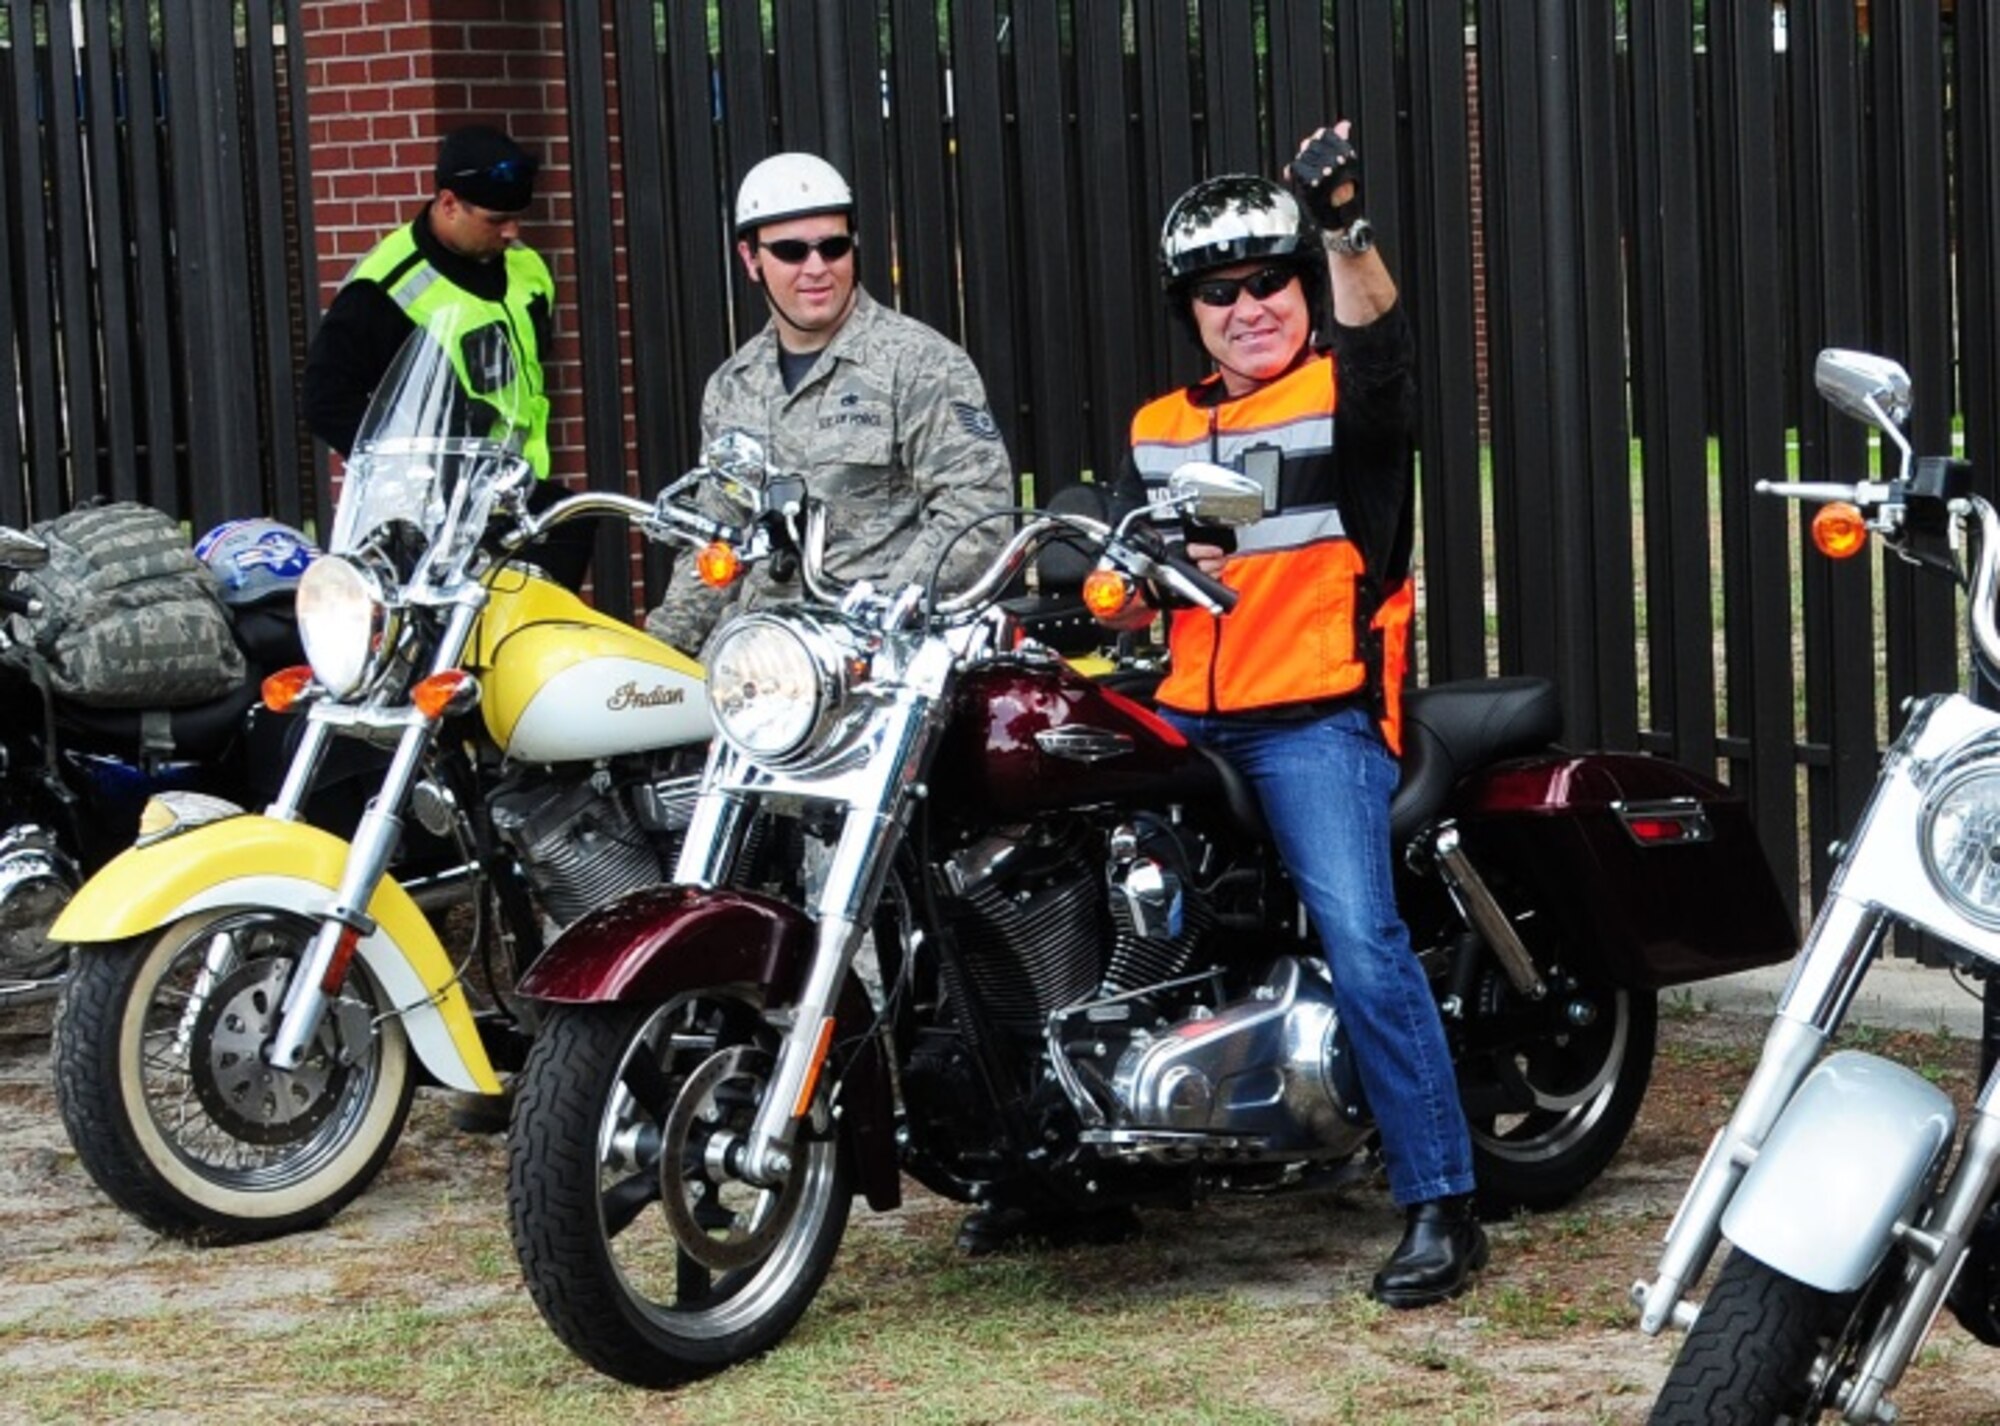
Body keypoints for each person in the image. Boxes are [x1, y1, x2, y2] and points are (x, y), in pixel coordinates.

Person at [1106, 123, 1486, 1309]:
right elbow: (1120, 572)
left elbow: (1383, 344)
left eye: (1269, 279)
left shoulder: (1347, 397)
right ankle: (1057, 1165)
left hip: (1312, 719)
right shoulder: (1156, 428)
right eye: (1218, 291)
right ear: (1191, 311)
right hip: (1183, 714)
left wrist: (1341, 226)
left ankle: (1439, 1200)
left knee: (1359, 937)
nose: (1248, 305)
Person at [644, 152, 1013, 653]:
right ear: (750, 260)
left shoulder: (921, 364)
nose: (816, 268)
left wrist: (876, 613)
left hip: (880, 665)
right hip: (756, 666)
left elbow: (976, 517)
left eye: (834, 247)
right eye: (792, 251)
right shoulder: (732, 386)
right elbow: (718, 539)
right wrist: (658, 651)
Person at [302, 124, 588, 590]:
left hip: (515, 498)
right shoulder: (387, 285)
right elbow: (325, 399)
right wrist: (413, 476)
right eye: (496, 220)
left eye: (518, 216)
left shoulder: (526, 268)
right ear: (449, 204)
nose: (512, 232)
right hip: (435, 517)